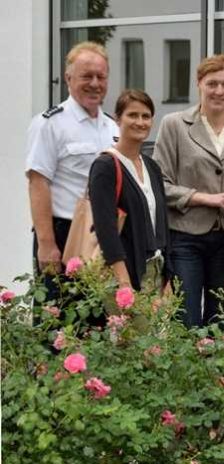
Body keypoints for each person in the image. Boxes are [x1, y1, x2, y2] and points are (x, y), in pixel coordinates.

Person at [153, 54, 224, 327]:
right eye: (212, 84)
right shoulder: (174, 124)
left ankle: (217, 372)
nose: (219, 91)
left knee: (221, 322)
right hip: (186, 236)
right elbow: (159, 185)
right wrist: (203, 197)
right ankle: (187, 372)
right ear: (198, 83)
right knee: (186, 319)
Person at [26, 41, 118, 301]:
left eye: (101, 76)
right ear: (68, 78)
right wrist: (46, 243)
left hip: (103, 236)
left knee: (100, 322)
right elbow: (38, 183)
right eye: (86, 76)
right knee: (58, 320)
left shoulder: (112, 127)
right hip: (63, 234)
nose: (95, 83)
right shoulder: (50, 124)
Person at [90, 90, 169, 292]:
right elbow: (105, 229)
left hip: (155, 273)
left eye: (146, 116)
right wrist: (123, 282)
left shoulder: (152, 167)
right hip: (124, 275)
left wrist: (168, 279)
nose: (140, 122)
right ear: (118, 119)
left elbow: (162, 226)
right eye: (132, 115)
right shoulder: (105, 166)